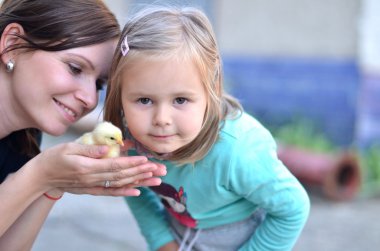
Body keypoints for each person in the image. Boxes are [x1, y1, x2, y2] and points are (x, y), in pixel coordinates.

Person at [104, 5, 310, 251]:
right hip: (179, 235)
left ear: (210, 91)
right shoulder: (131, 143)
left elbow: (293, 208)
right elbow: (136, 191)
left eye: (180, 100)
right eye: (144, 100)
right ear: (120, 95)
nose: (161, 119)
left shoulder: (238, 151)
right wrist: (162, 241)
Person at [0, 1, 167, 250]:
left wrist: (54, 183)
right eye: (75, 68)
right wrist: (38, 175)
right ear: (12, 44)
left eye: (99, 84)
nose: (90, 99)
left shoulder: (24, 140)